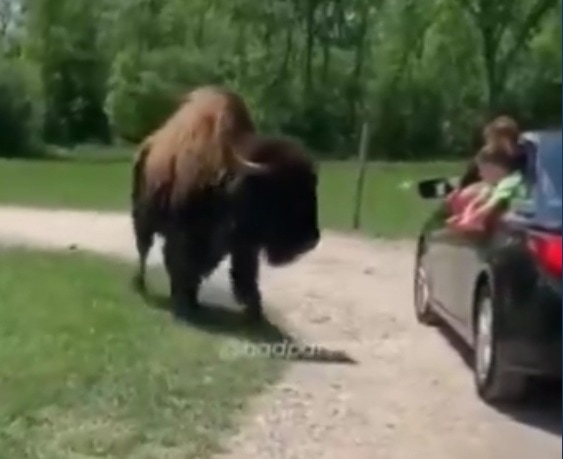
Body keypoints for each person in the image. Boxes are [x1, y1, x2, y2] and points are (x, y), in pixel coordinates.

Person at [447, 144, 527, 232]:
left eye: (482, 169)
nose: (480, 174)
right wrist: (463, 217)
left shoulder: (510, 182)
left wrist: (468, 222)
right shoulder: (499, 184)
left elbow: (490, 206)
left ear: (495, 168)